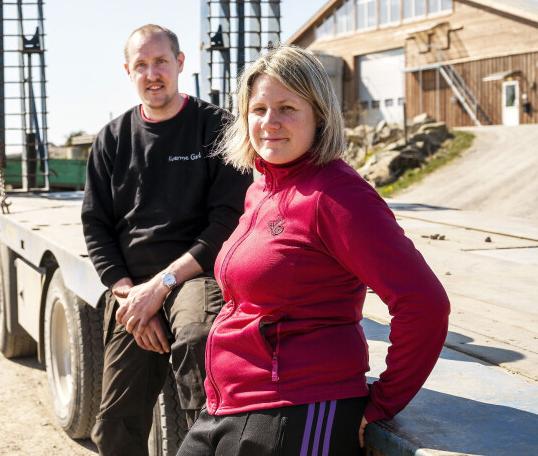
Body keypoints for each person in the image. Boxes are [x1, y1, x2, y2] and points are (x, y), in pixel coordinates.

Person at [178, 45, 451, 455]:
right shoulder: (261, 190)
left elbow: (424, 303)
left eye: (287, 108)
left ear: (319, 116)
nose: (270, 122)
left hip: (298, 409)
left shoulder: (338, 196)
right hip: (227, 403)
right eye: (258, 109)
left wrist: (384, 402)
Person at [81, 24, 253, 455]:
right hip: (133, 288)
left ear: (180, 63)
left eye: (160, 61)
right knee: (114, 427)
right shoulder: (111, 139)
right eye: (141, 65)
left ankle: (208, 442)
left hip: (195, 275)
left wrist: (161, 287)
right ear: (128, 71)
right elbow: (96, 225)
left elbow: (227, 223)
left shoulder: (217, 128)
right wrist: (129, 297)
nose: (152, 73)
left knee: (196, 340)